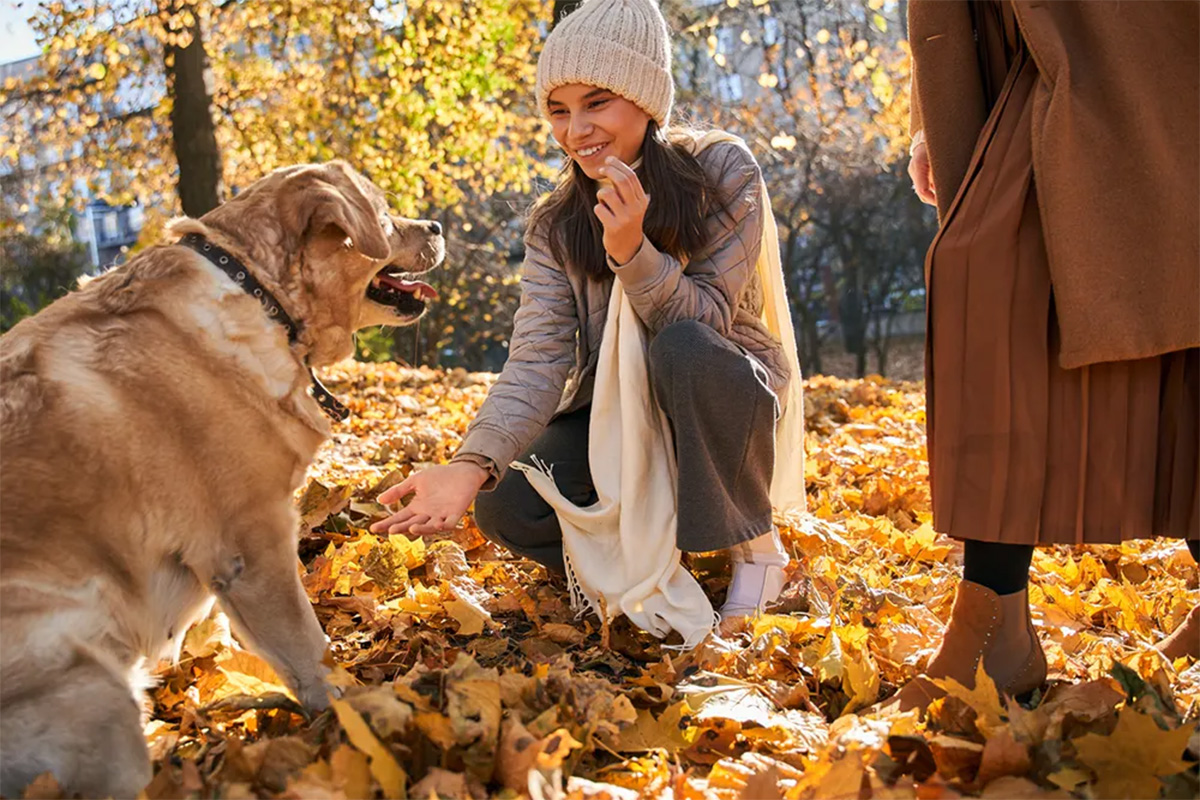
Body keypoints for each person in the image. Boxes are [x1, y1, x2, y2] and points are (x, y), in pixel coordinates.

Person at [371, 0, 805, 629]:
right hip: (612, 413)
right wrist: (472, 464)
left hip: (722, 389)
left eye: (597, 103)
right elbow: (539, 359)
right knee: (509, 505)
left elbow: (707, 323)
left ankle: (756, 552)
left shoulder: (721, 170)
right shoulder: (554, 223)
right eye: (558, 110)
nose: (576, 131)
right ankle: (643, 563)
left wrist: (634, 253)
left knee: (681, 346)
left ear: (646, 100)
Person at [881, 0, 1199, 713]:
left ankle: (997, 626)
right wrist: (931, 113)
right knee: (983, 283)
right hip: (1024, 49)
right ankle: (996, 625)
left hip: (1156, 48)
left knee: (1185, 303)